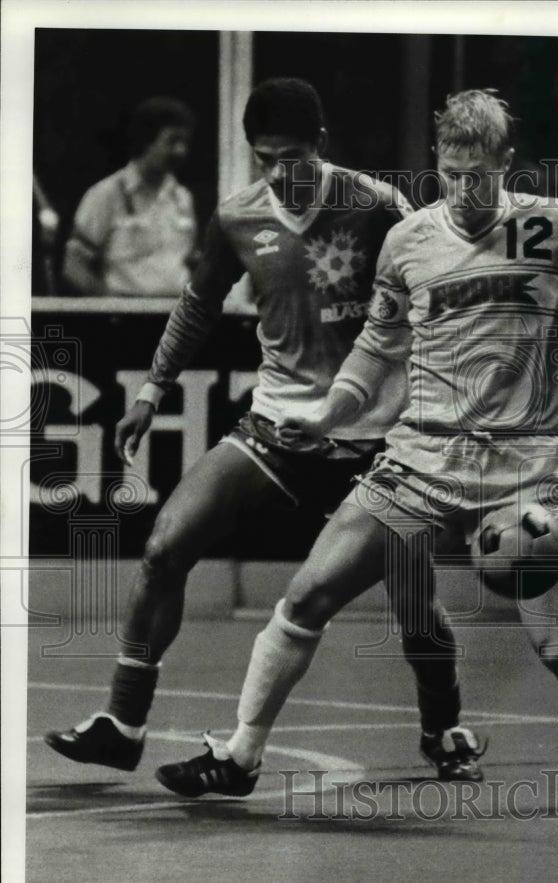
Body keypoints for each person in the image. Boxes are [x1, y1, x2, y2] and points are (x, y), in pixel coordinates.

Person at [154, 89, 558, 807]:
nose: (463, 189)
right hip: (420, 460)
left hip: (522, 472)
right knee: (305, 597)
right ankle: (241, 755)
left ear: (506, 162)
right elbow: (375, 351)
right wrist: (327, 416)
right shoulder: (409, 239)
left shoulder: (554, 227)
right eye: (449, 173)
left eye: (478, 174)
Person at [45, 78, 484, 783]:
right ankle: (123, 723)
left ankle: (444, 727)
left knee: (414, 599)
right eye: (265, 158)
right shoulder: (238, 217)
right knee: (163, 546)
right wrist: (153, 388)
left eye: (294, 157)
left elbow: (448, 298)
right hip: (277, 427)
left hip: (374, 445)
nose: (281, 173)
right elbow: (196, 306)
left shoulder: (378, 208)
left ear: (323, 146)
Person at [63, 97, 198, 296]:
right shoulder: (107, 194)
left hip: (176, 316)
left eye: (184, 142)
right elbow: (74, 266)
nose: (181, 151)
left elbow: (189, 260)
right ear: (147, 141)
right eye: (172, 141)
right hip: (126, 316)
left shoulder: (182, 199)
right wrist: (109, 304)